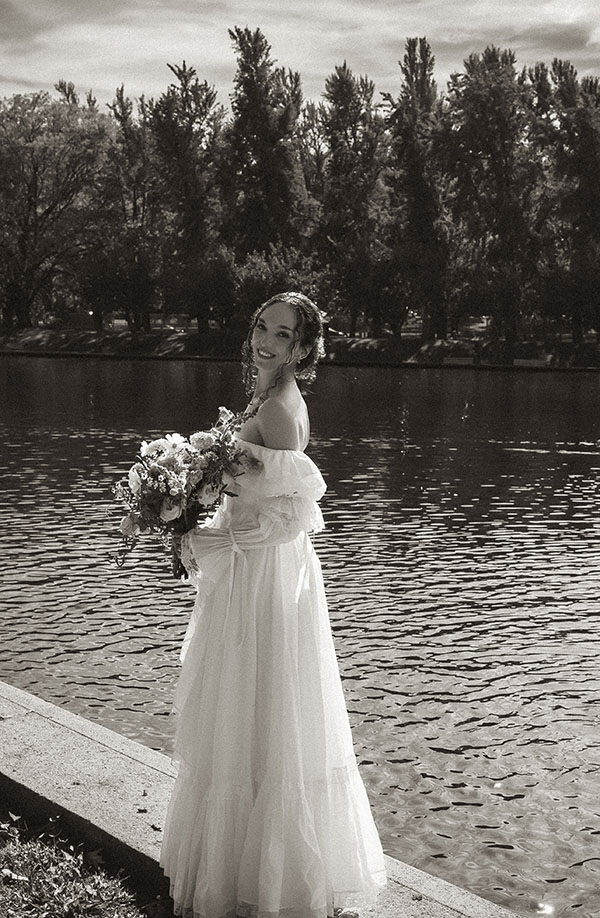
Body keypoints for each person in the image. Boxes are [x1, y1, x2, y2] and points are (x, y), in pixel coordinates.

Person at [160, 292, 386, 918]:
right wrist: (185, 504)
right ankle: (242, 868)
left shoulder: (283, 412)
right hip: (247, 573)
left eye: (282, 334)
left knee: (265, 712)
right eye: (263, 326)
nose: (266, 339)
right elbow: (246, 491)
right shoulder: (263, 397)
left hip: (264, 576)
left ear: (302, 348)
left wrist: (204, 537)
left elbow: (292, 518)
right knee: (248, 711)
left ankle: (270, 882)